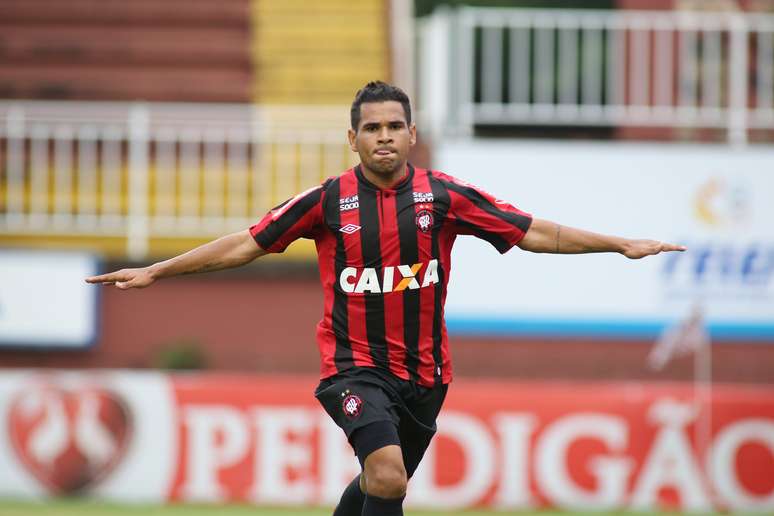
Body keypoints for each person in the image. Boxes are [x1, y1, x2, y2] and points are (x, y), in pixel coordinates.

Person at [86, 81, 685, 515]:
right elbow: (248, 243)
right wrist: (158, 271)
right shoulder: (326, 200)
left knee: (380, 486)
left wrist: (618, 244)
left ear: (412, 134)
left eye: (394, 126)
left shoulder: (445, 196)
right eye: (371, 128)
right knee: (390, 475)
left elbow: (532, 232)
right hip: (353, 368)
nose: (383, 137)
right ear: (353, 139)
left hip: (428, 374)